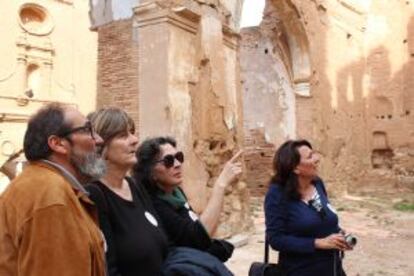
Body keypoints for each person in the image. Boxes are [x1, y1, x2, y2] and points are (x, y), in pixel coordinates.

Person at [0, 103, 107, 276]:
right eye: (88, 129)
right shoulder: (51, 198)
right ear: (58, 144)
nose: (99, 139)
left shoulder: (42, 186)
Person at [85, 108, 169, 276]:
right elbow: (107, 268)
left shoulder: (134, 186)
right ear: (101, 146)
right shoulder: (94, 195)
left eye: (132, 133)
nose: (135, 140)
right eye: (123, 136)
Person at [133, 136, 242, 262]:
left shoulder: (176, 194)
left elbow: (200, 230)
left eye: (178, 157)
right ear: (150, 172)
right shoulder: (155, 204)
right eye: (168, 161)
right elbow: (198, 238)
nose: (177, 164)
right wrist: (220, 185)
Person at [264, 139, 352, 276]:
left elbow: (320, 216)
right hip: (299, 270)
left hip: (332, 269)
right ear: (295, 168)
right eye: (310, 157)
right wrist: (317, 243)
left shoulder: (317, 184)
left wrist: (340, 235)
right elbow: (276, 239)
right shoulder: (277, 194)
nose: (317, 159)